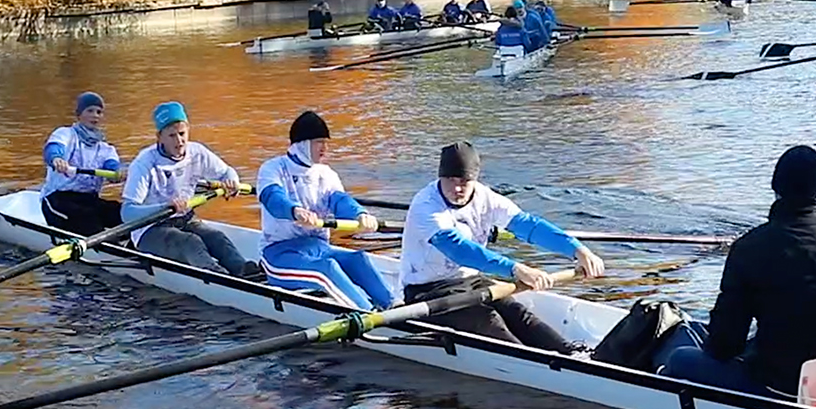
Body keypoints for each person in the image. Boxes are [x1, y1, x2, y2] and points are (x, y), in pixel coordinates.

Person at [658, 146, 816, 399]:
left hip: (780, 384)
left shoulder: (751, 246)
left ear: (775, 185)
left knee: (679, 357)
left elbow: (724, 345)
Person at [397, 142, 605, 354]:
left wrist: (578, 251)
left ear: (475, 179)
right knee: (487, 319)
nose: (458, 188)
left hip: (471, 281)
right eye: (450, 180)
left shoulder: (486, 197)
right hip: (426, 291)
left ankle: (572, 353)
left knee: (516, 312)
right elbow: (457, 249)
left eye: (464, 181)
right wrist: (516, 269)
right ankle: (534, 364)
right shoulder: (426, 205)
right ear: (440, 176)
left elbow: (529, 226)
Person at [256, 111, 392, 310]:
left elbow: (340, 201)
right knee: (325, 269)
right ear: (302, 143)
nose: (325, 149)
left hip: (318, 248)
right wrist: (295, 211)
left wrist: (360, 214)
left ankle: (395, 306)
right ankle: (367, 314)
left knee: (358, 259)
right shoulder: (273, 169)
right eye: (319, 142)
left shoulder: (326, 173)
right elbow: (273, 198)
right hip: (279, 254)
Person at [121, 101, 258, 277]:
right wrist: (164, 207)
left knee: (217, 238)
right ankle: (217, 276)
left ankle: (245, 271)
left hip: (184, 218)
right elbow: (127, 213)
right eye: (171, 136)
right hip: (149, 229)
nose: (179, 142)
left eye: (182, 134)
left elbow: (226, 172)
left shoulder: (197, 152)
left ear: (188, 131)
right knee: (190, 243)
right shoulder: (144, 163)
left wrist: (231, 181)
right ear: (159, 137)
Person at [41, 92, 125, 235]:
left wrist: (117, 173)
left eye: (99, 112)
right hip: (58, 199)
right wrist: (56, 159)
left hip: (88, 200)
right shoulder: (66, 134)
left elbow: (112, 165)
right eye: (90, 111)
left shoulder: (106, 148)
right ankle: (104, 247)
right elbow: (54, 148)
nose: (95, 115)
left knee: (123, 213)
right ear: (79, 115)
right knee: (88, 220)